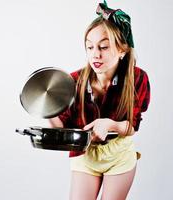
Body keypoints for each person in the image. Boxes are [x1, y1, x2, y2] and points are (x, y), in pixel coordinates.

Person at [49, 1, 151, 200]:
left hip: (119, 155)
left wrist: (110, 124)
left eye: (103, 47)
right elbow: (61, 127)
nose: (95, 53)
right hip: (85, 154)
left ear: (122, 50)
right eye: (90, 47)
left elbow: (132, 125)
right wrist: (48, 108)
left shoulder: (137, 78)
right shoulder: (73, 81)